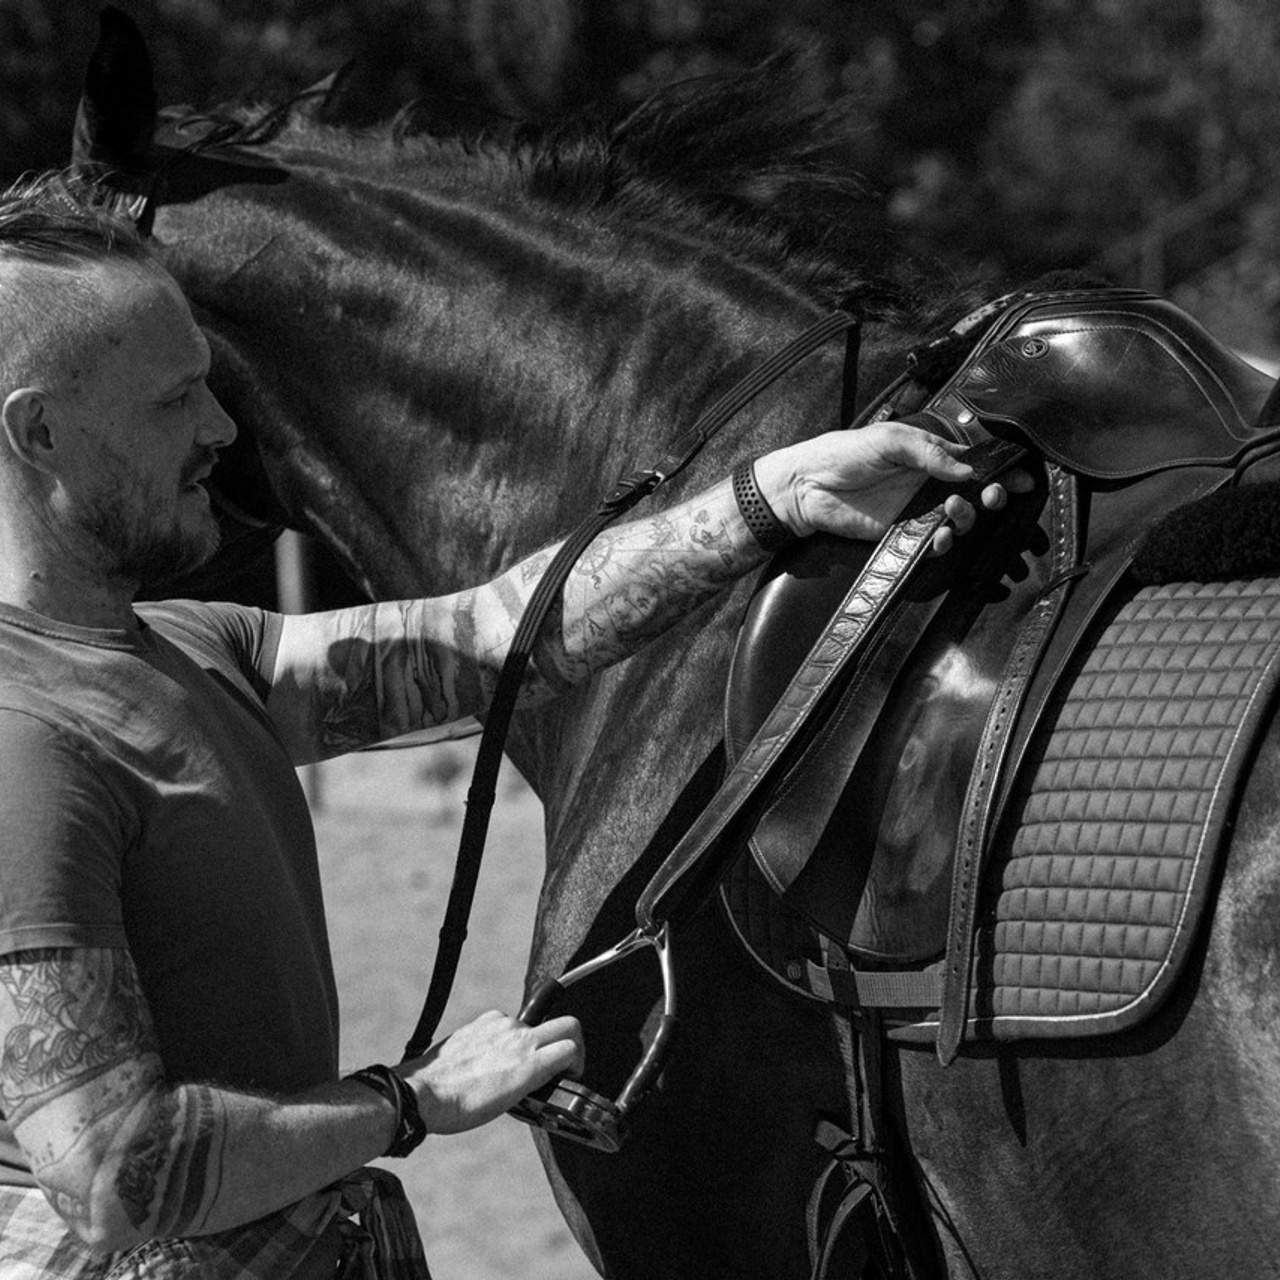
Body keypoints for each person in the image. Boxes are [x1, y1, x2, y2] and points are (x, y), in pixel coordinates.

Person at [0, 172, 1023, 1279]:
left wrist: (765, 497)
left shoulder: (196, 648)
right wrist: (409, 1099)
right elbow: (113, 1173)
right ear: (40, 431)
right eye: (173, 398)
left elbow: (499, 634)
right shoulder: (24, 742)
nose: (220, 426)